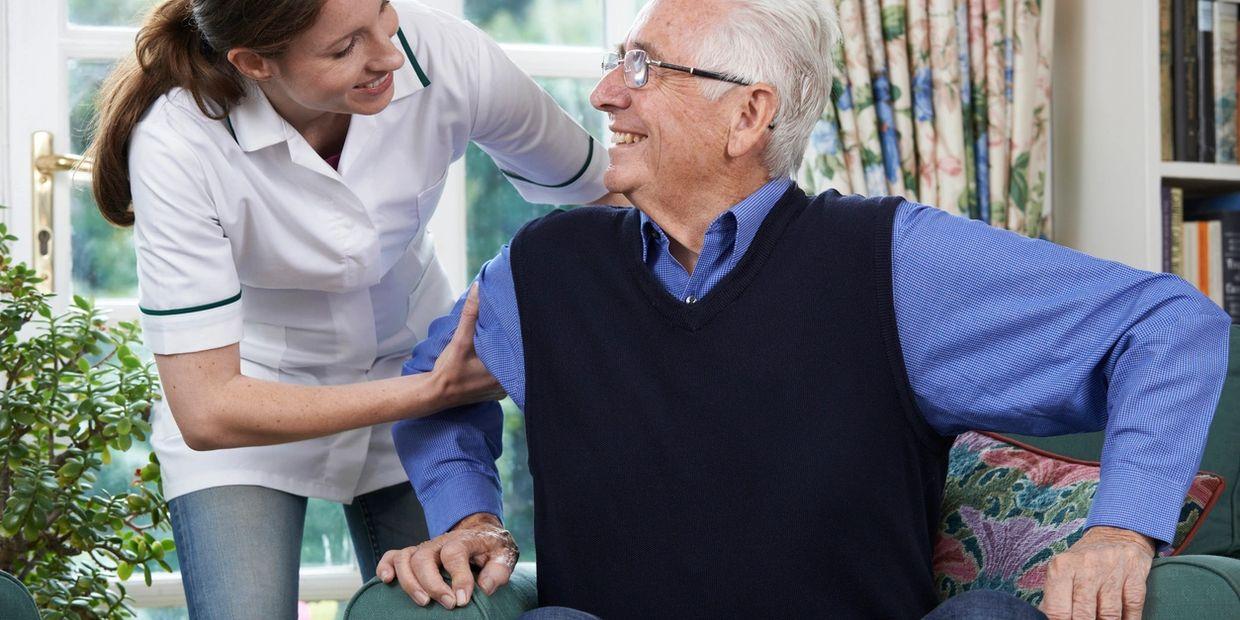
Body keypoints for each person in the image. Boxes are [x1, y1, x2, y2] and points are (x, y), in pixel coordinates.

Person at [375, 0, 1230, 618]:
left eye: (643, 68)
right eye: (615, 59)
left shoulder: (896, 261)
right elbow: (433, 380)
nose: (603, 94)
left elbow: (1170, 326)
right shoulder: (545, 266)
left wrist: (1122, 529)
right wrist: (468, 517)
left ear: (747, 115)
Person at [87, 0, 617, 616]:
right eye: (344, 49)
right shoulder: (179, 140)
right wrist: (433, 391)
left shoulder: (447, 55)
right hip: (254, 400)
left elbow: (606, 195)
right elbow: (208, 410)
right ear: (255, 62)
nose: (390, 54)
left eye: (385, 11)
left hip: (412, 364)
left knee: (447, 608)